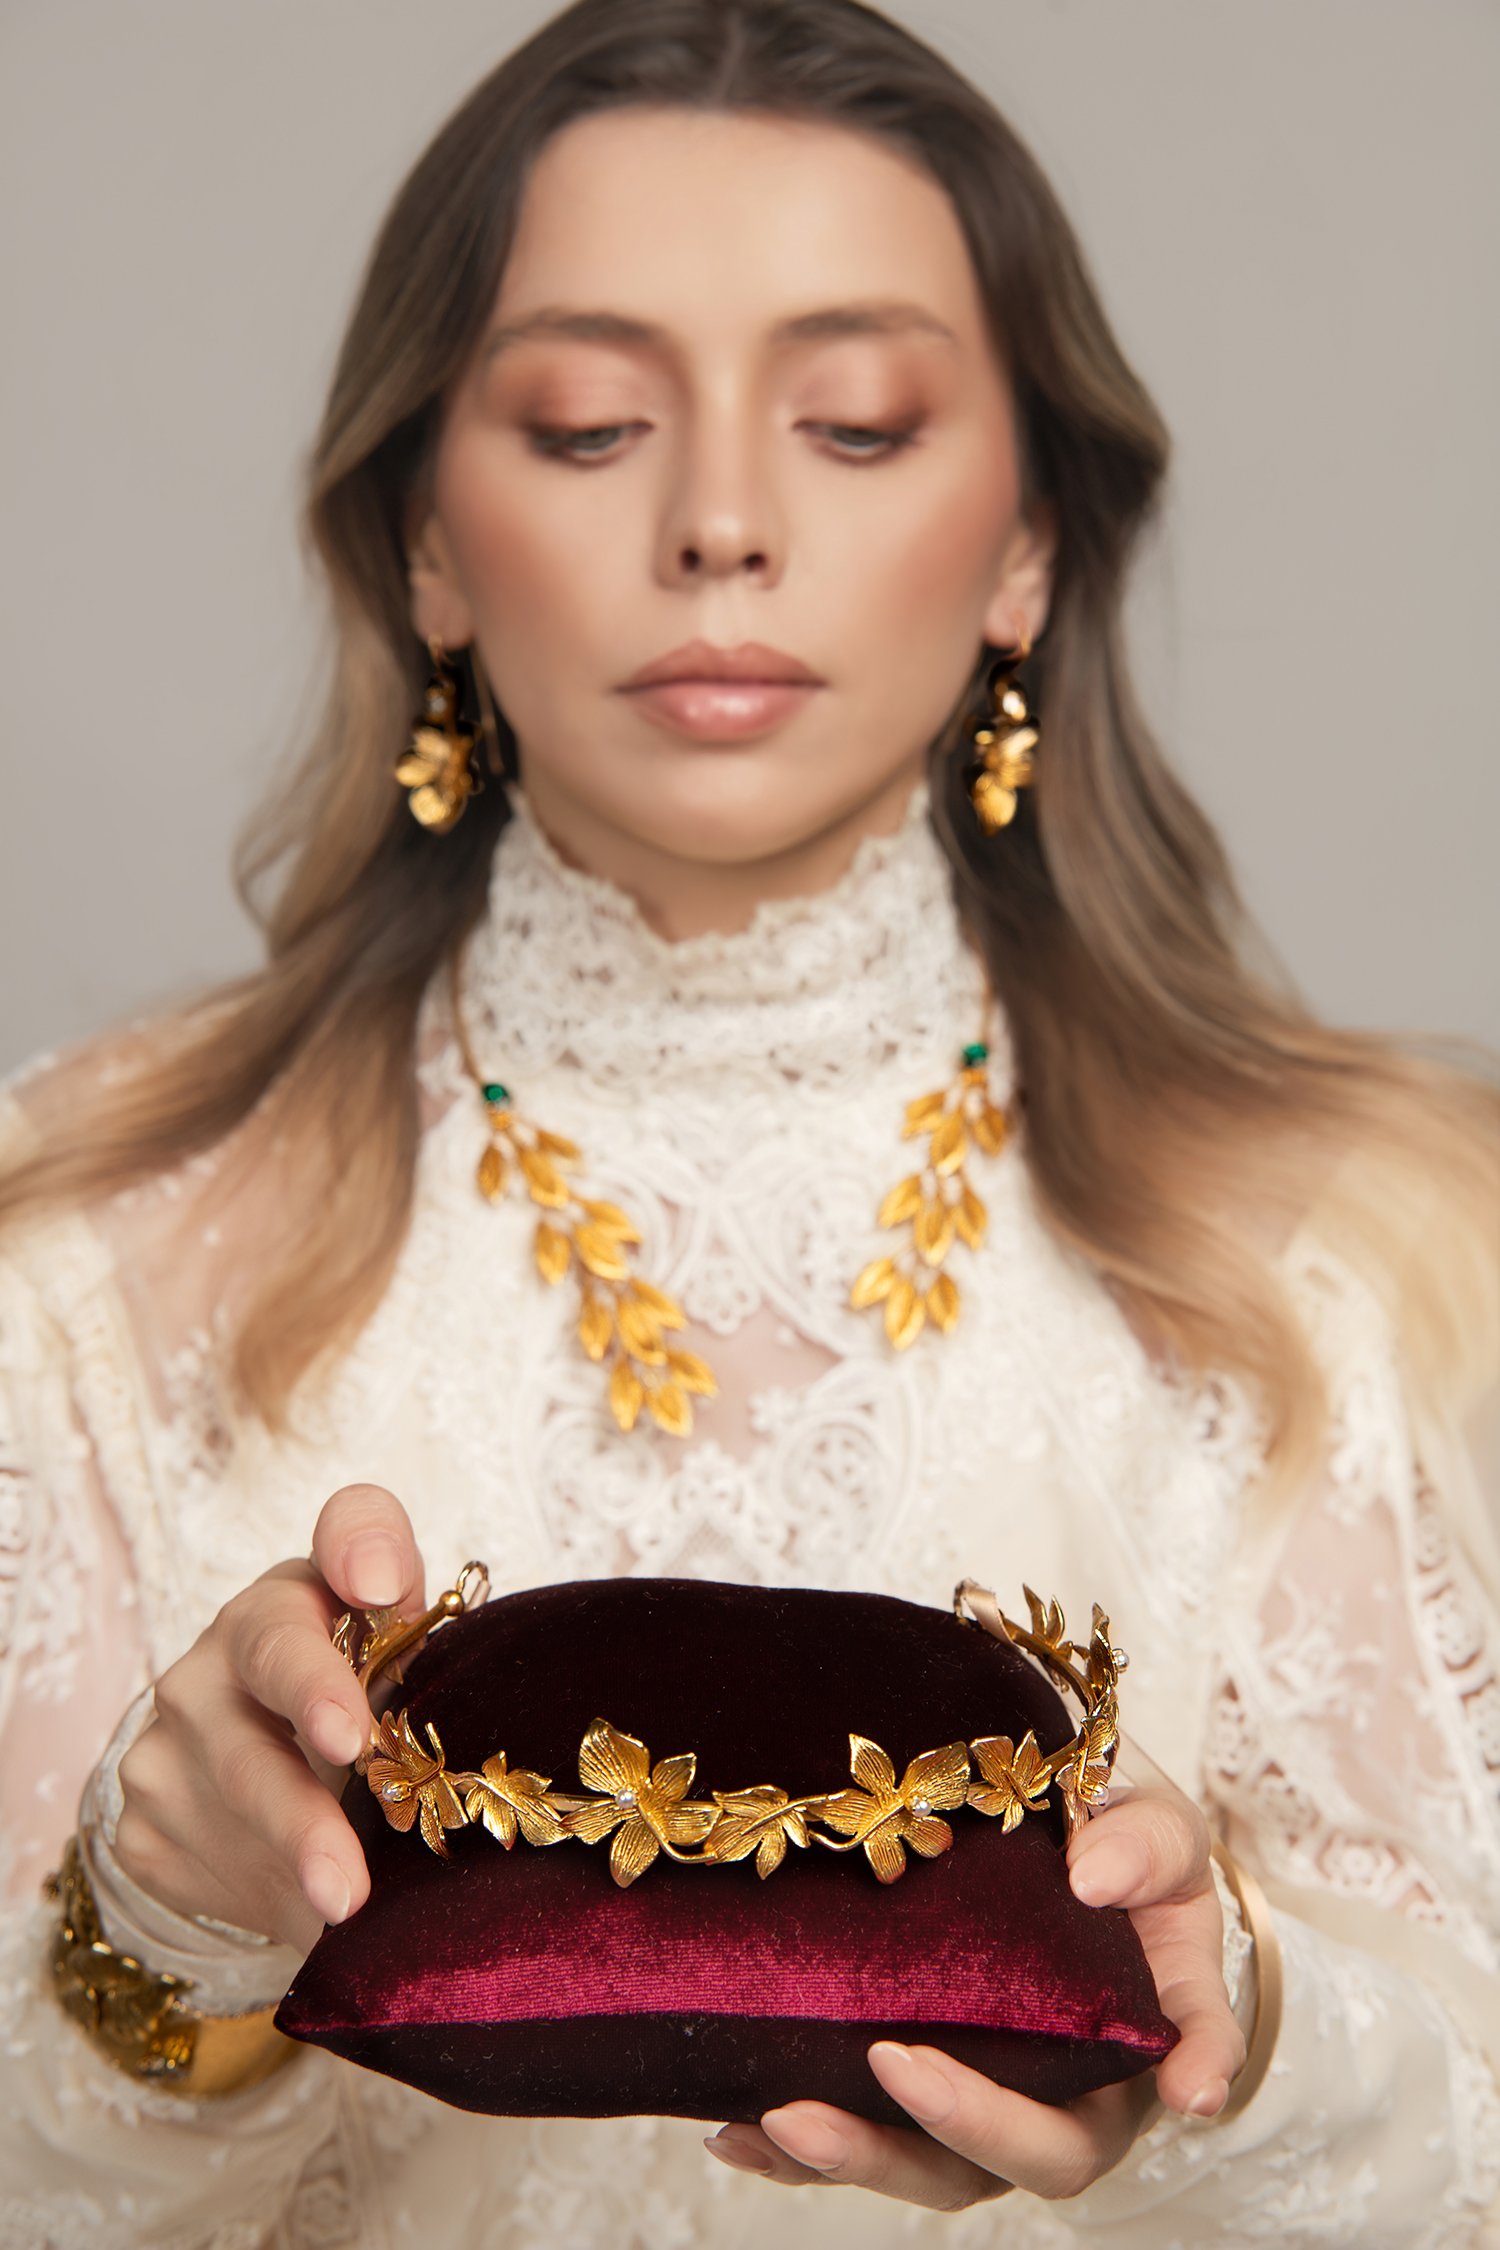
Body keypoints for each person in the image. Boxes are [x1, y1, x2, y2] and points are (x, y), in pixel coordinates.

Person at [2, 1, 1497, 2242]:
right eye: (592, 424)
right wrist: (162, 1926)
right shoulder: (85, 1252)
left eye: (858, 421)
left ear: (1027, 551)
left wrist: (1240, 2025)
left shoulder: (1369, 1260)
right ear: (426, 540)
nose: (719, 523)